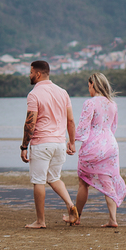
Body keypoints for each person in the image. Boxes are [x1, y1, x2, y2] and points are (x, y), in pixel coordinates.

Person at [20, 60, 78, 229]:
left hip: (42, 144)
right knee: (54, 178)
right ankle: (70, 205)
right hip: (59, 143)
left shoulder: (34, 94)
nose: (29, 75)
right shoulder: (62, 92)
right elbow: (71, 120)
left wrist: (24, 146)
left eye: (31, 72)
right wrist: (72, 142)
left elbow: (30, 123)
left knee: (38, 181)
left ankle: (40, 221)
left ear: (38, 74)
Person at [71, 72, 126, 227]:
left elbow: (83, 127)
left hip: (93, 145)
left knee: (83, 183)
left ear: (93, 85)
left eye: (89, 86)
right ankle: (113, 220)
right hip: (110, 145)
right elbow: (112, 127)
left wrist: (72, 141)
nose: (88, 89)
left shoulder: (90, 103)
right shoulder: (113, 104)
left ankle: (78, 217)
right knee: (108, 182)